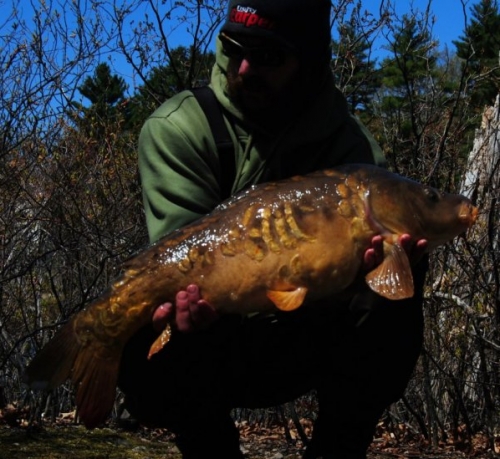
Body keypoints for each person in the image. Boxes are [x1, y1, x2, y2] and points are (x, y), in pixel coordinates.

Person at [117, 1, 428, 458]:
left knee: (401, 270)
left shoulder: (350, 146)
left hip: (311, 334)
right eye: (235, 47)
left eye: (268, 57)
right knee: (147, 325)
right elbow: (184, 259)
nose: (244, 67)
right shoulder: (180, 129)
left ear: (309, 61)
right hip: (217, 337)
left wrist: (350, 282)